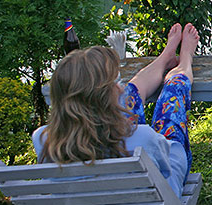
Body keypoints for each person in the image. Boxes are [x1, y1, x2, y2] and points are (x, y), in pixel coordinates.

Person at [33, 23, 199, 196]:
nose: (121, 88)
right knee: (171, 111)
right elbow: (167, 172)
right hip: (154, 200)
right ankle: (184, 61)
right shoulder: (141, 138)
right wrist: (168, 143)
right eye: (116, 83)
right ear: (104, 98)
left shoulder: (43, 139)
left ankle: (166, 57)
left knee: (130, 96)